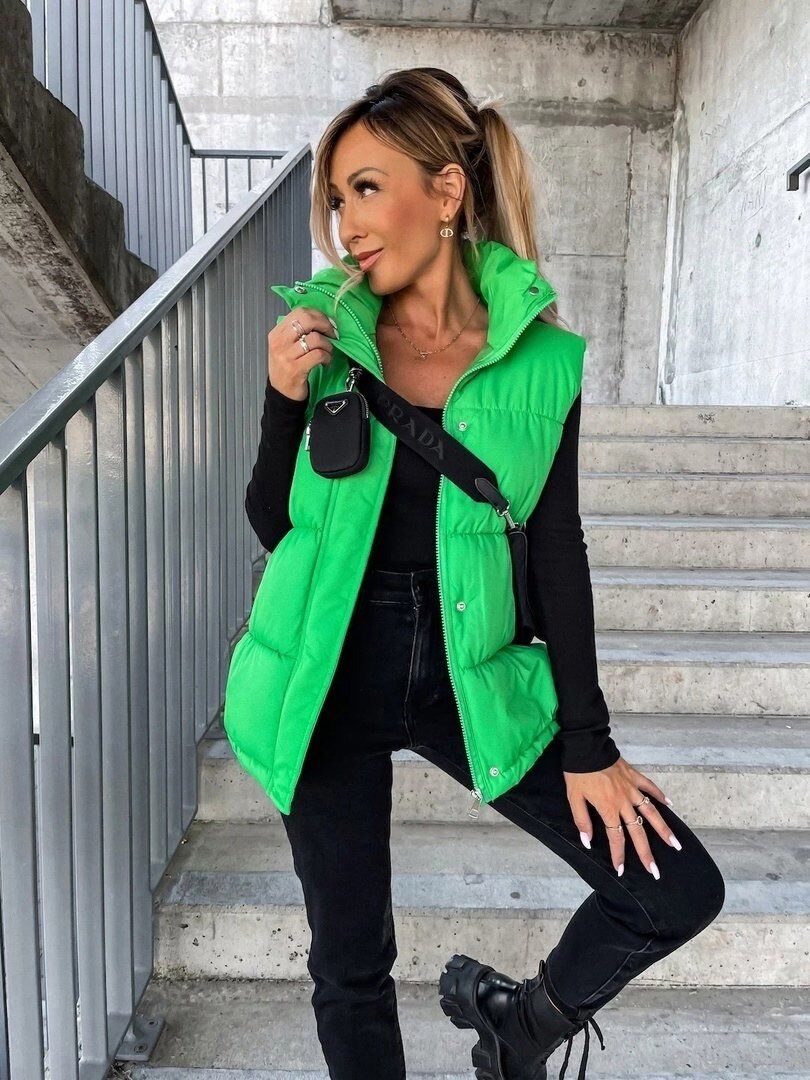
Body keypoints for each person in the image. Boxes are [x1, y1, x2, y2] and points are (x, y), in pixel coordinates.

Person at [226, 67, 726, 1080]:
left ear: (446, 192)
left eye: (367, 188)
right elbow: (274, 524)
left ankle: (520, 1025)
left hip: (471, 663)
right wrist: (282, 401)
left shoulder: (542, 363)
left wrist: (588, 742)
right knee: (350, 965)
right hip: (327, 664)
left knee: (675, 888)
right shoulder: (325, 333)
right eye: (337, 198)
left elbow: (558, 546)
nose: (345, 224)